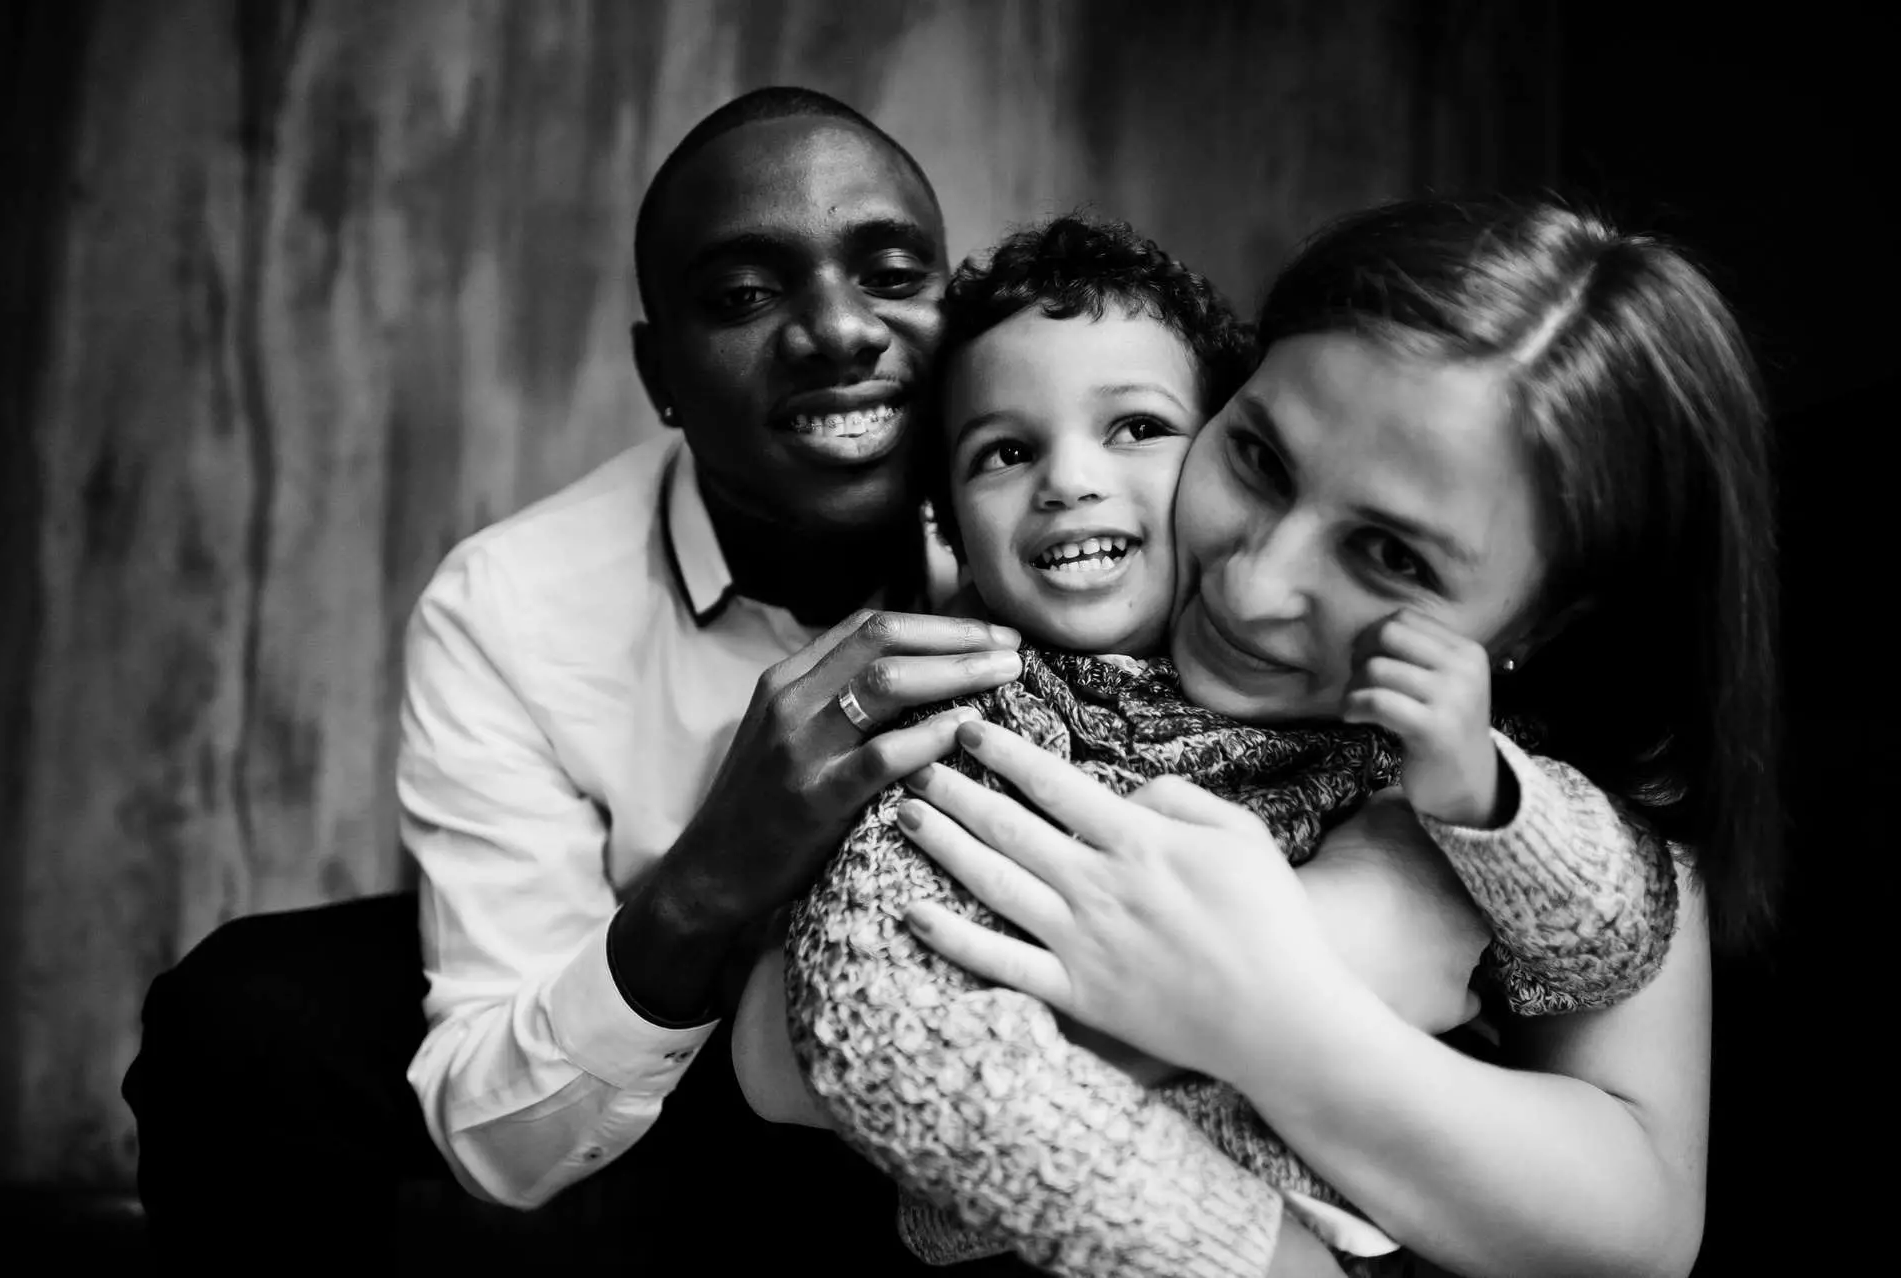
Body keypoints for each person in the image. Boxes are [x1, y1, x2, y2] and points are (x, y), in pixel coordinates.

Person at [120, 88, 1447, 1276]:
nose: (833, 329)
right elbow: (500, 1127)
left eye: (889, 273)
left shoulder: (1100, 506)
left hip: (1032, 1024)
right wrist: (720, 864)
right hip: (687, 1035)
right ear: (660, 376)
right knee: (248, 1012)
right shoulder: (513, 606)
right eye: (746, 295)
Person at [737, 212, 1674, 1277]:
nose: (1254, 584)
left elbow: (1607, 943)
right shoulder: (975, 731)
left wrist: (1482, 798)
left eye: (1135, 428)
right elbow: (885, 1039)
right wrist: (1244, 1246)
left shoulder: (1421, 727)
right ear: (946, 525)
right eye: (1263, 462)